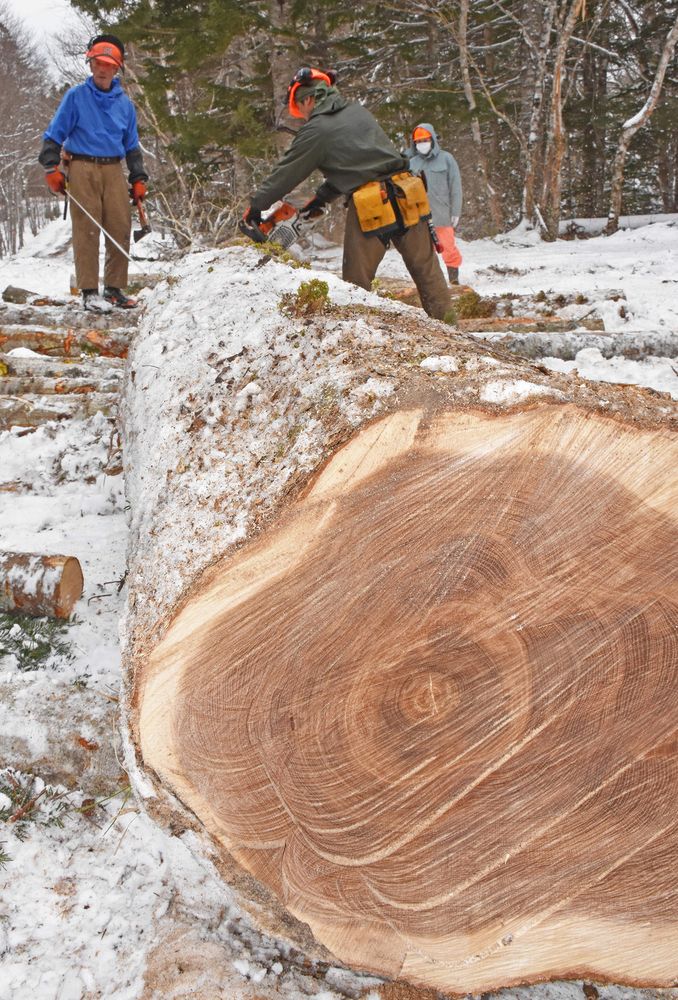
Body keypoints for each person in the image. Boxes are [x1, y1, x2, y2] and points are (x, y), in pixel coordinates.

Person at [243, 68, 450, 320]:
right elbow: (362, 164)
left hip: (373, 204)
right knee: (428, 272)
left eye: (300, 107)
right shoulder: (357, 113)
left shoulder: (317, 130)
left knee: (355, 283)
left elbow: (286, 174)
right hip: (408, 191)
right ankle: (450, 328)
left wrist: (256, 207)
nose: (302, 115)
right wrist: (321, 198)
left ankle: (356, 332)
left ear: (308, 99)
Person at [38, 35, 149, 313]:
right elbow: (54, 134)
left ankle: (114, 289)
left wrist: (138, 178)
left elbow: (132, 145)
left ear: (117, 69)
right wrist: (51, 167)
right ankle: (89, 292)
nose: (102, 69)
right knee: (87, 229)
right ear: (91, 64)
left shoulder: (125, 105)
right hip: (82, 166)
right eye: (98, 63)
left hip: (113, 167)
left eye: (108, 65)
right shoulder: (76, 97)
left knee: (120, 227)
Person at [408, 123, 462, 285]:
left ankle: (454, 281)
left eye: (424, 140)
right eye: (418, 142)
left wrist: (456, 211)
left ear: (432, 140)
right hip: (418, 217)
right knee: (423, 252)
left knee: (448, 248)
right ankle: (430, 283)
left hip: (441, 214)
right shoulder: (411, 163)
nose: (421, 144)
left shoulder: (446, 159)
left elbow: (455, 186)